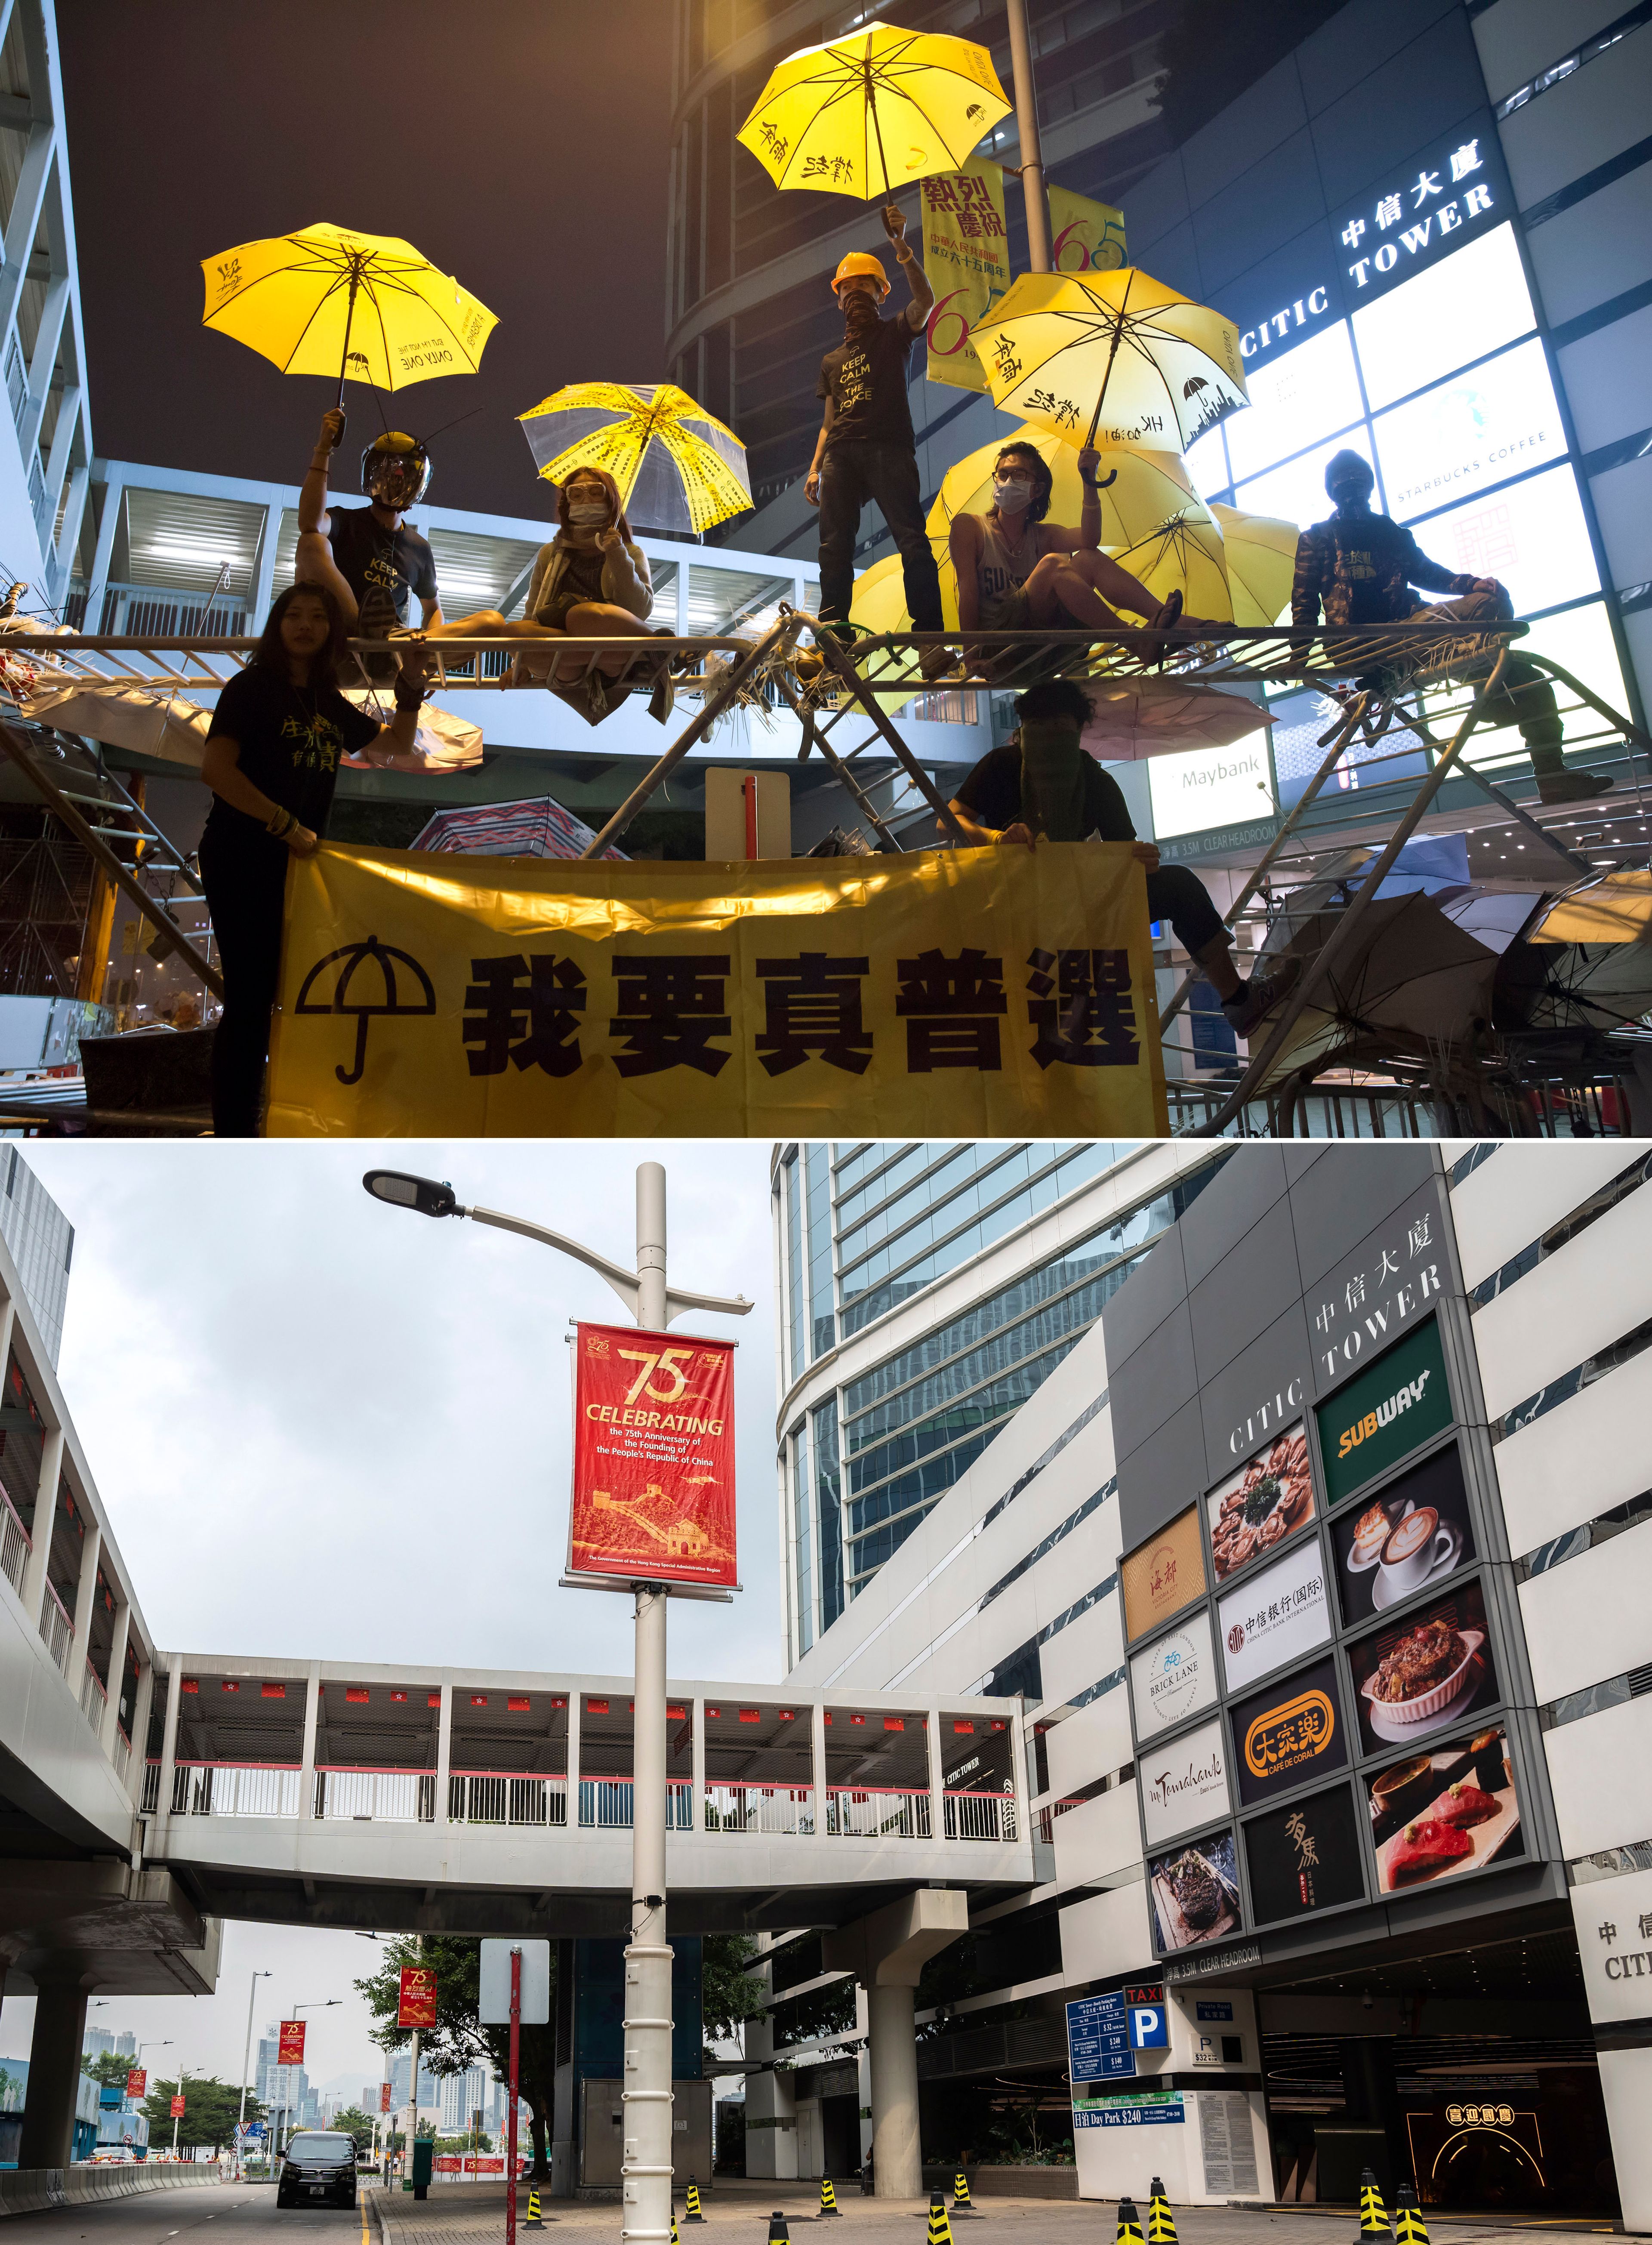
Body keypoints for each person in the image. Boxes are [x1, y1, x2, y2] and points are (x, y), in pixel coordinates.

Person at [948, 677, 1298, 1041]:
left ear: (1079, 731)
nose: (1050, 741)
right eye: (1039, 729)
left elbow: (1123, 857)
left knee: (1177, 884)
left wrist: (1138, 860)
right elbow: (949, 821)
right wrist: (997, 839)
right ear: (1023, 730)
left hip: (1073, 901)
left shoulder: (1096, 781)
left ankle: (1239, 1000)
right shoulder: (1000, 765)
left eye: (1061, 730)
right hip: (1005, 899)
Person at [199, 581, 428, 1137]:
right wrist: (283, 824)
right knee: (252, 998)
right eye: (294, 614)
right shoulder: (251, 687)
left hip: (294, 861)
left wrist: (411, 693)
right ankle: (235, 1129)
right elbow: (217, 771)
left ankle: (268, 1115)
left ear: (331, 631)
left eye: (318, 617)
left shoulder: (326, 700)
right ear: (278, 624)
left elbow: (395, 746)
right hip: (241, 853)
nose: (305, 624)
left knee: (281, 993)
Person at [1292, 449, 1598, 804]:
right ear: (1331, 490)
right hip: (1360, 644)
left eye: (1359, 480)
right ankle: (1480, 684)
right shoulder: (1317, 538)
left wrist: (1470, 584)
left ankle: (1549, 772)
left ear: (1370, 486)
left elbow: (1425, 571)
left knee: (1517, 658)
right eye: (1343, 482)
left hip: (1410, 630)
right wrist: (1299, 655)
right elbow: (1304, 602)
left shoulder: (1389, 531)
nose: (1352, 487)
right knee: (1505, 656)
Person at [806, 204, 949, 674]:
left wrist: (902, 249)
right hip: (841, 455)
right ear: (839, 298)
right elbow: (829, 421)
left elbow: (926, 301)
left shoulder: (895, 334)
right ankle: (835, 642)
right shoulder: (831, 360)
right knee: (834, 549)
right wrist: (814, 467)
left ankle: (931, 640)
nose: (855, 292)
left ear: (881, 293)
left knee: (911, 538)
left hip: (889, 445)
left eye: (864, 285)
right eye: (848, 287)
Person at [421, 465, 662, 721]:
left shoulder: (630, 552)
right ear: (566, 503)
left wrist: (617, 555)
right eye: (576, 494)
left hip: (615, 656)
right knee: (513, 633)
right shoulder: (551, 553)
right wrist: (522, 664)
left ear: (611, 500)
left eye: (595, 492)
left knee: (583, 615)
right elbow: (533, 612)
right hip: (567, 665)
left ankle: (658, 647)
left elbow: (641, 610)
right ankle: (648, 649)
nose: (586, 500)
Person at [951, 440, 1188, 669]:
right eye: (1002, 475)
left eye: (1019, 475)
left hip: (1039, 640)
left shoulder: (1043, 535)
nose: (1007, 482)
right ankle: (1135, 639)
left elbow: (1090, 539)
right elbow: (968, 594)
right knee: (1053, 564)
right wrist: (970, 655)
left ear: (1037, 489)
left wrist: (1089, 481)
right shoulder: (970, 527)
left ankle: (1174, 623)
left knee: (1087, 558)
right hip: (998, 647)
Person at [297, 409, 442, 669]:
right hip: (343, 633)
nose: (396, 482)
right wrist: (323, 450)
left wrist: (427, 647)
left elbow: (434, 610)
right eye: (387, 473)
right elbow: (310, 525)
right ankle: (361, 632)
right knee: (311, 542)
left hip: (394, 642)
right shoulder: (346, 521)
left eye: (406, 476)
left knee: (490, 622)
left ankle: (388, 653)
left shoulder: (419, 548)